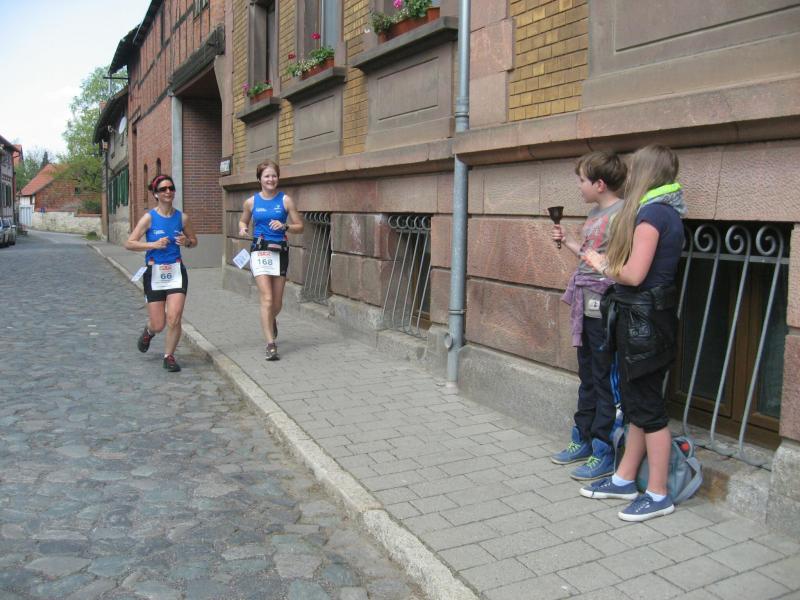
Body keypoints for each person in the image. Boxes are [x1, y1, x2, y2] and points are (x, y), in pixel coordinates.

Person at [579, 145, 686, 522]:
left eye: (634, 168)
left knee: (648, 409)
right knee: (638, 404)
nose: (629, 175)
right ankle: (625, 478)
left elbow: (634, 275)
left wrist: (601, 263)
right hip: (646, 320)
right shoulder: (663, 211)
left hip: (643, 323)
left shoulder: (652, 214)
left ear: (645, 173)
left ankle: (658, 494)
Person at [550, 151, 626, 480]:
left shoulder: (622, 214)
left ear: (600, 184)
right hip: (585, 302)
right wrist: (570, 242)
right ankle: (582, 437)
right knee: (588, 376)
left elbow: (614, 264)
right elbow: (589, 256)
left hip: (605, 304)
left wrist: (578, 246)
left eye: (582, 180)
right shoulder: (595, 213)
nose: (579, 186)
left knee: (604, 379)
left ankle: (603, 450)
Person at [125, 174, 198, 373]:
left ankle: (169, 356)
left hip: (176, 271)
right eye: (163, 189)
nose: (168, 192)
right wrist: (153, 245)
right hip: (154, 272)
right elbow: (129, 243)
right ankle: (149, 332)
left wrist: (187, 242)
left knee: (174, 317)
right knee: (159, 324)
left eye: (171, 188)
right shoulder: (149, 218)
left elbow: (194, 241)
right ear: (156, 194)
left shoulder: (182, 218)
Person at [238, 160, 303, 360]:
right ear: (259, 179)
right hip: (260, 251)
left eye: (274, 176)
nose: (271, 179)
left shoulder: (286, 200)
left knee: (277, 302)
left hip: (280, 251)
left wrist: (285, 226)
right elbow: (243, 220)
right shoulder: (251, 202)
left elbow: (300, 226)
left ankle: (271, 318)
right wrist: (243, 228)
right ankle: (270, 344)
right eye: (266, 176)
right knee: (266, 298)